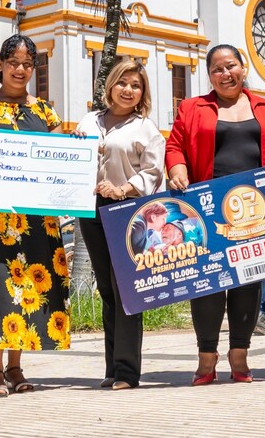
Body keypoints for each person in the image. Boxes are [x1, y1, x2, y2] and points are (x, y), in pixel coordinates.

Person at [166, 44, 265, 385]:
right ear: (209, 75)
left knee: (248, 282)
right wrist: (177, 170)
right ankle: (206, 356)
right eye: (217, 69)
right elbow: (175, 146)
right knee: (206, 284)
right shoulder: (192, 107)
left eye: (231, 66)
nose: (226, 74)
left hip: (255, 208)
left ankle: (240, 354)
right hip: (206, 207)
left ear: (243, 68)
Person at [0, 34, 71, 398]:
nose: (20, 70)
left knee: (27, 290)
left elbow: (58, 162)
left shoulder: (46, 113)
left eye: (27, 64)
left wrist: (77, 151)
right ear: (1, 65)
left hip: (35, 220)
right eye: (13, 63)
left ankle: (16, 367)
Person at [76, 60, 165, 390]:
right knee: (106, 290)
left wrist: (123, 189)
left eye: (136, 85)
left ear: (143, 93)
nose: (128, 90)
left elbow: (153, 172)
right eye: (123, 83)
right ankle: (112, 367)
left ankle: (127, 371)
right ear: (110, 85)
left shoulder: (147, 129)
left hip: (128, 211)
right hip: (92, 211)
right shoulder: (89, 121)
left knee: (127, 290)